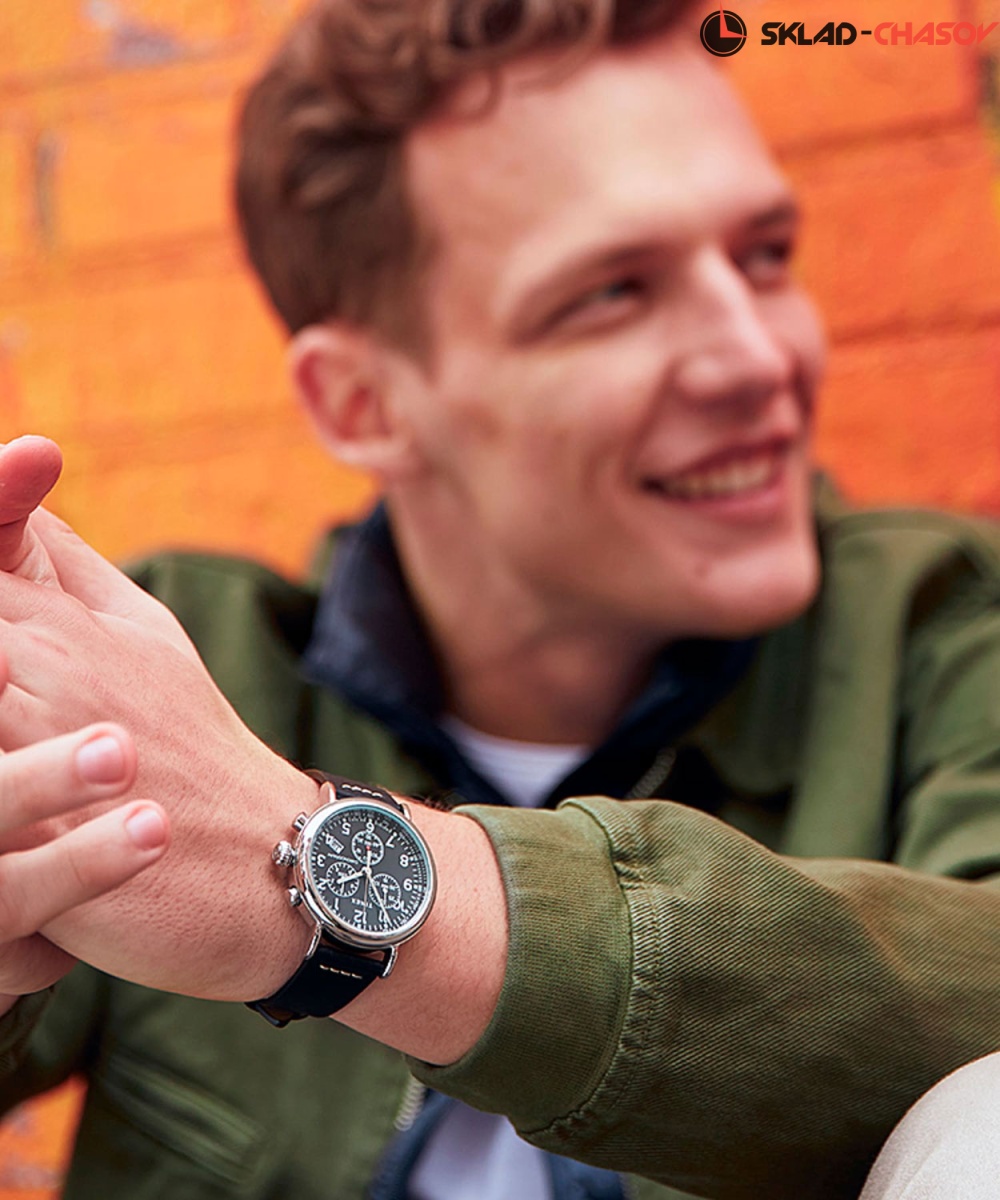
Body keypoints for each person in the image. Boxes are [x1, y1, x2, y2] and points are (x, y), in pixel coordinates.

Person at [1, 1, 1000, 1198]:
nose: (756, 357)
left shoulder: (947, 629)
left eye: (764, 255)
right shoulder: (180, 670)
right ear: (366, 404)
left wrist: (311, 878)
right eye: (613, 292)